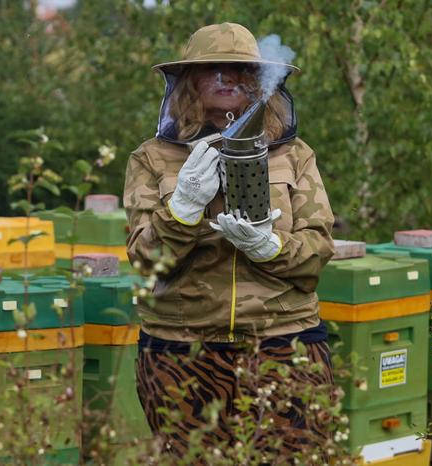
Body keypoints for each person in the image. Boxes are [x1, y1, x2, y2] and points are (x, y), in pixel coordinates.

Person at [124, 22, 336, 459]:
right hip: (181, 350)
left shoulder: (295, 155)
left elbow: (317, 253)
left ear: (260, 82)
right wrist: (181, 210)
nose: (226, 79)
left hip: (283, 343)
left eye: (239, 70)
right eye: (212, 70)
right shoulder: (151, 158)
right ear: (187, 82)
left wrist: (271, 247)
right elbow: (146, 263)